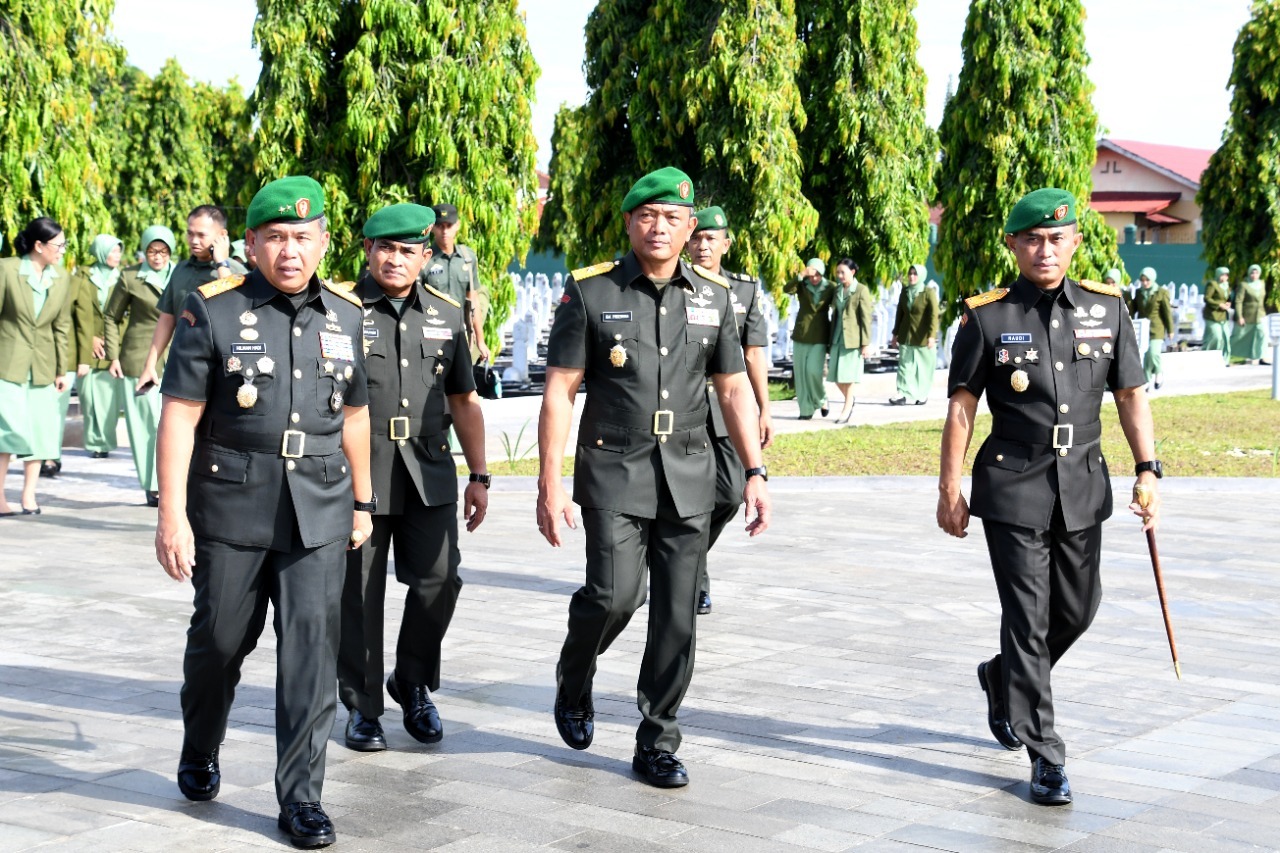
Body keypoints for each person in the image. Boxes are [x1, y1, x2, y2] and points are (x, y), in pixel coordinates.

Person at [154, 176, 373, 849]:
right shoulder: (210, 310)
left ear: (324, 242)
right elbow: (181, 417)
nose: (288, 250)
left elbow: (356, 414)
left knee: (311, 651)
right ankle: (201, 743)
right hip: (231, 503)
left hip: (322, 503)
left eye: (301, 237)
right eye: (274, 237)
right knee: (220, 640)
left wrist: (363, 499)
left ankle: (301, 798)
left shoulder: (346, 313)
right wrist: (172, 515)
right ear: (250, 244)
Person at [537, 167, 771, 788]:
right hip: (614, 467)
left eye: (672, 217)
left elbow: (731, 389)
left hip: (690, 472)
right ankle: (576, 671)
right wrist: (549, 481)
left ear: (691, 226)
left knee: (676, 614)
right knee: (615, 595)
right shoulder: (591, 293)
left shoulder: (717, 298)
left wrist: (754, 470)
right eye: (647, 216)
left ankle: (658, 738)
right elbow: (559, 391)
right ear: (629, 223)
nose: (659, 228)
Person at [937, 187, 1162, 806]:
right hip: (1012, 483)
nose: (1045, 249)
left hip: (1083, 481)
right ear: (1012, 244)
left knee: (1078, 609)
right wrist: (949, 486)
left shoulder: (1108, 310)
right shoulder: (987, 316)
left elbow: (1130, 395)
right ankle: (1045, 754)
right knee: (1029, 619)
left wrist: (1148, 469)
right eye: (1032, 238)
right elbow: (961, 409)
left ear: (1076, 242)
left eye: (1057, 238)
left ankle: (1002, 677)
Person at [337, 203, 490, 753]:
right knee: (358, 594)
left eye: (407, 251)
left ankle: (412, 681)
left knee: (439, 580)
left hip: (427, 470)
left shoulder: (447, 315)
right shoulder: (339, 310)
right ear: (367, 249)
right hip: (361, 473)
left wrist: (480, 474)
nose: (395, 260)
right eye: (385, 249)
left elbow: (464, 399)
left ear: (427, 256)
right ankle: (362, 706)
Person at [686, 205, 772, 616]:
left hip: (726, 408)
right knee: (687, 496)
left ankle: (684, 558)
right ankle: (693, 578)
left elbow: (754, 354)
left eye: (710, 238)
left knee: (728, 492)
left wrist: (764, 409)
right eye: (697, 237)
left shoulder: (744, 290)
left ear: (726, 243)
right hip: (684, 401)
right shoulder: (677, 285)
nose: (703, 245)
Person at [0, 218, 73, 515]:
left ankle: (29, 496)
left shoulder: (61, 278)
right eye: (58, 245)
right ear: (38, 245)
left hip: (43, 367)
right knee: (6, 431)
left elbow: (61, 326)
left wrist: (61, 369)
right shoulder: (6, 270)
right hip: (7, 364)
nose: (62, 251)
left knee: (40, 433)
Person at [136, 205, 248, 393]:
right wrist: (150, 364)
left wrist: (221, 263)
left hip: (223, 368)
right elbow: (167, 319)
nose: (194, 241)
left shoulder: (236, 272)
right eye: (190, 234)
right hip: (184, 364)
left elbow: (236, 308)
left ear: (222, 235)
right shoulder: (180, 270)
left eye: (201, 235)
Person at [105, 226, 178, 506]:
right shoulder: (129, 277)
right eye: (151, 251)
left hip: (177, 357)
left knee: (171, 422)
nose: (157, 257)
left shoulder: (181, 273)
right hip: (138, 357)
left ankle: (170, 481)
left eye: (162, 251)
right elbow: (111, 316)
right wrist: (113, 356)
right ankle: (154, 486)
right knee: (146, 424)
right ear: (144, 250)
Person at [71, 235, 126, 460]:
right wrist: (91, 339)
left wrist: (109, 339)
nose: (117, 256)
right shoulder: (83, 276)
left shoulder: (123, 277)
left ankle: (103, 443)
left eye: (119, 252)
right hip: (86, 345)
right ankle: (93, 441)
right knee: (88, 397)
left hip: (113, 346)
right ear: (101, 252)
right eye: (113, 251)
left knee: (109, 400)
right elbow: (75, 310)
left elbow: (127, 315)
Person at [424, 203, 489, 365]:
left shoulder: (467, 258)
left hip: (460, 334)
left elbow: (473, 301)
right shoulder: (425, 260)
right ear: (432, 228)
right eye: (440, 226)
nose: (444, 231)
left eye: (449, 225)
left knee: (462, 386)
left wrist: (480, 341)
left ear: (457, 226)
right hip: (433, 334)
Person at [782, 259, 833, 419]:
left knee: (813, 371)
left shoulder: (830, 287)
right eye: (812, 274)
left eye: (817, 274)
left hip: (820, 334)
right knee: (801, 374)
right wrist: (801, 275)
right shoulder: (802, 285)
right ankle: (806, 410)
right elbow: (786, 289)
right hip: (801, 333)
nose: (814, 278)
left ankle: (821, 399)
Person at [829, 258, 873, 423]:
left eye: (843, 272)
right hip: (837, 338)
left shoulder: (861, 290)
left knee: (848, 376)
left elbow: (865, 318)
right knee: (835, 376)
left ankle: (846, 408)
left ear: (852, 272)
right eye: (838, 272)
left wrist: (865, 343)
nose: (840, 275)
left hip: (853, 340)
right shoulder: (838, 290)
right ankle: (851, 400)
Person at [889, 263, 939, 405]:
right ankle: (902, 393)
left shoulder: (928, 292)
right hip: (906, 335)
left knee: (923, 367)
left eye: (915, 274)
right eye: (910, 274)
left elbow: (933, 315)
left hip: (922, 336)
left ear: (921, 276)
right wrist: (895, 334)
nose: (911, 277)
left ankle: (921, 394)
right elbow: (900, 314)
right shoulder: (904, 292)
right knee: (904, 365)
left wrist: (931, 335)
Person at [1129, 267, 1174, 389]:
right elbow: (1134, 309)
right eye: (1142, 280)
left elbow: (1167, 313)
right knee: (1146, 355)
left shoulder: (1161, 292)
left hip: (1157, 327)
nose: (1145, 283)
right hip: (1143, 328)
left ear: (1152, 279)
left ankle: (1159, 372)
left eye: (1147, 280)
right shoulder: (1139, 292)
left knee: (1154, 353)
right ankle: (1147, 380)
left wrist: (1170, 330)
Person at [1232, 264, 1268, 365]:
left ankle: (1261, 357)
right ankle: (1231, 354)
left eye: (1256, 273)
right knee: (1240, 336)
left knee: (1262, 334)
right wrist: (1239, 316)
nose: (1254, 275)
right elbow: (1238, 301)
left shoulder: (1262, 283)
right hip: (1247, 315)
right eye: (1252, 273)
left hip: (1260, 315)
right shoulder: (1244, 284)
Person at [1202, 267, 1232, 366]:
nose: (1224, 277)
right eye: (1222, 274)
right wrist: (1219, 304)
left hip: (1223, 315)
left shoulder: (1226, 286)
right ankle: (1209, 357)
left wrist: (1228, 303)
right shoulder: (1212, 284)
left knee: (1225, 337)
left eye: (1226, 275)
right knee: (1216, 336)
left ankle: (1225, 360)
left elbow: (1227, 298)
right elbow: (1207, 298)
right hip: (1213, 315)